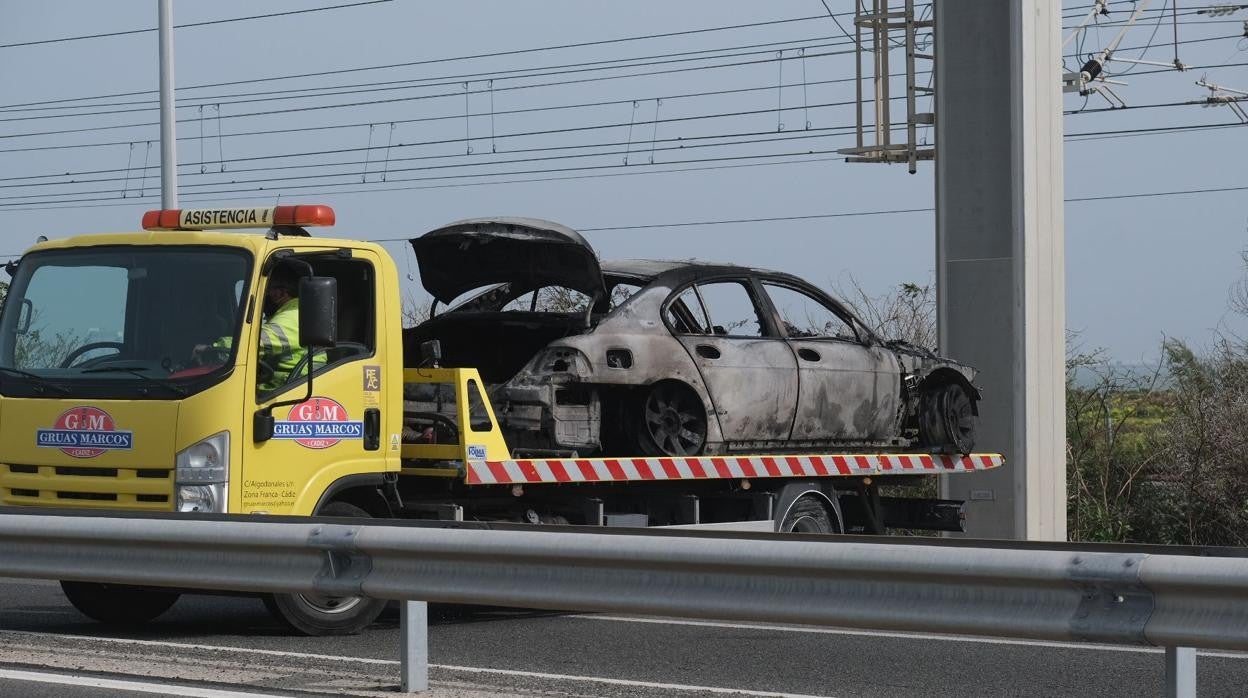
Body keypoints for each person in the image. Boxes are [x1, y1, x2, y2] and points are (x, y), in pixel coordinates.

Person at [196, 263, 306, 391]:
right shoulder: (290, 311)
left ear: (280, 293)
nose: (267, 295)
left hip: (293, 386)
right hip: (284, 384)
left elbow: (259, 341)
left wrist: (214, 348)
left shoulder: (293, 314)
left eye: (268, 289)